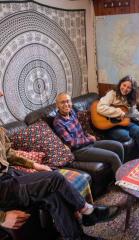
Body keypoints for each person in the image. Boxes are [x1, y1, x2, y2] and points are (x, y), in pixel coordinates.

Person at [0, 91, 119, 240]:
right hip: (3, 188)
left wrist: (36, 165)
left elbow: (8, 153)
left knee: (54, 194)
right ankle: (89, 211)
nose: (2, 93)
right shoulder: (58, 121)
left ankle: (77, 237)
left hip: (11, 174)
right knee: (55, 178)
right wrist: (2, 217)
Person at [53, 92, 124, 174]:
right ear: (57, 105)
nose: (66, 104)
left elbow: (80, 129)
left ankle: (115, 178)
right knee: (113, 157)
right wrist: (89, 139)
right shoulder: (58, 122)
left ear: (71, 102)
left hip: (87, 143)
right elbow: (71, 143)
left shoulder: (72, 112)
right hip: (78, 151)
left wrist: (87, 136)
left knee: (119, 146)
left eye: (68, 101)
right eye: (62, 102)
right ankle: (121, 183)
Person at [97, 75, 139, 158]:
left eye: (129, 87)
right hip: (110, 126)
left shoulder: (131, 99)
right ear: (120, 84)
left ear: (132, 89)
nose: (125, 89)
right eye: (124, 85)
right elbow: (100, 107)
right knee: (125, 135)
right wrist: (119, 112)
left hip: (124, 123)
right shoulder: (112, 94)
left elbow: (133, 113)